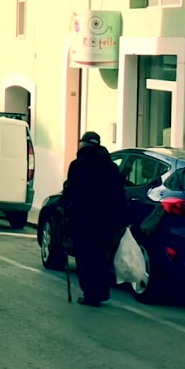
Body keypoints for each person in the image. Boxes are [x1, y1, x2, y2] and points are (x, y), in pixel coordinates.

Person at [59, 131, 125, 307]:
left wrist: (63, 206)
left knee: (86, 256)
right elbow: (119, 194)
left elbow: (70, 191)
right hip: (105, 220)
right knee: (101, 256)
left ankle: (91, 294)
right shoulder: (111, 167)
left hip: (82, 220)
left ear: (84, 145)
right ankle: (102, 292)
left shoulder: (78, 165)